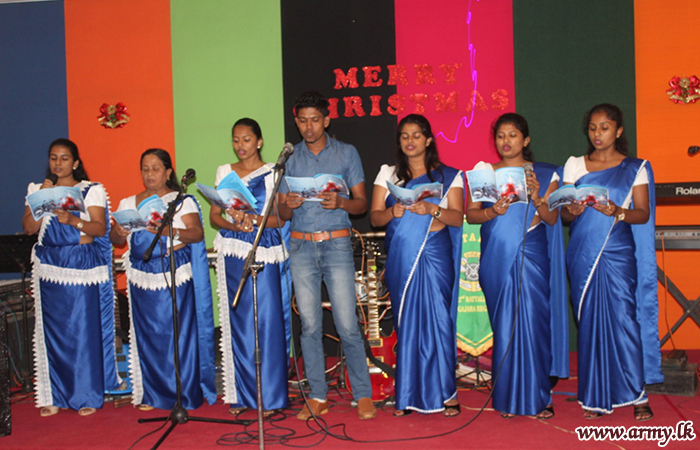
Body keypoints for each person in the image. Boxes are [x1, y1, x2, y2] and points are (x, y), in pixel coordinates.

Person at [278, 91, 376, 420]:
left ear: (327, 120)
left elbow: (362, 204)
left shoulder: (346, 153)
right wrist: (287, 205)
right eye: (302, 120)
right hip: (301, 246)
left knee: (347, 323)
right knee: (309, 326)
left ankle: (363, 394)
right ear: (296, 121)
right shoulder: (289, 158)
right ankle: (317, 395)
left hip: (336, 244)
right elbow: (280, 213)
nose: (308, 127)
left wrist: (342, 203)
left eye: (315, 120)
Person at [562, 104, 662, 421]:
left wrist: (617, 210)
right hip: (582, 252)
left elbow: (642, 213)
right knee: (590, 322)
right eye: (592, 128)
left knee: (624, 320)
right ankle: (595, 394)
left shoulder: (636, 168)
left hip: (618, 251)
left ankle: (637, 393)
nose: (597, 134)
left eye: (604, 127)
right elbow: (564, 213)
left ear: (618, 131)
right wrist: (572, 211)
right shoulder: (576, 165)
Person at [465, 113, 569, 419]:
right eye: (500, 136)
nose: (505, 141)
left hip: (532, 254)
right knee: (505, 326)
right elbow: (471, 214)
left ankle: (540, 396)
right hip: (495, 258)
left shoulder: (546, 174)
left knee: (534, 324)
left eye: (512, 135)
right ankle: (507, 396)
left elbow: (552, 220)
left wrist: (537, 197)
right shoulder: (484, 172)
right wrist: (492, 211)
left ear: (525, 140)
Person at [370, 114, 464, 417]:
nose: (410, 141)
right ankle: (407, 395)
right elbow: (374, 217)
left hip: (435, 253)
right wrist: (392, 212)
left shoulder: (449, 176)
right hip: (401, 255)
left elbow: (458, 217)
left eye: (416, 135)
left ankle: (447, 393)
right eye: (404, 136)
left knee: (439, 320)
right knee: (406, 322)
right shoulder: (389, 174)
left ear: (428, 140)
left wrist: (433, 209)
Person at [110, 149, 216, 411]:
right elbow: (116, 241)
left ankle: (183, 394)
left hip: (174, 275)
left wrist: (170, 230)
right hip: (141, 277)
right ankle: (154, 395)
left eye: (156, 168)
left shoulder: (181, 201)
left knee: (178, 337)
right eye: (145, 168)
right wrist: (119, 231)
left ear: (168, 172)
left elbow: (196, 234)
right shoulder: (129, 203)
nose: (150, 174)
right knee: (149, 338)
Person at [22, 138, 120, 417]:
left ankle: (86, 394)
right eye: (53, 158)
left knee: (81, 331)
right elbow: (29, 228)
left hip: (80, 265)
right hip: (50, 266)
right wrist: (41, 199)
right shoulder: (37, 188)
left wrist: (72, 220)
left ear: (75, 163)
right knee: (54, 333)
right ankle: (55, 395)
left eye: (64, 158)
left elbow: (99, 229)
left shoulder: (90, 190)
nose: (58, 163)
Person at [210, 118, 291, 416]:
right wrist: (232, 223)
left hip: (264, 247)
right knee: (239, 322)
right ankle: (244, 394)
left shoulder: (273, 171)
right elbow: (214, 217)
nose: (240, 145)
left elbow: (283, 215)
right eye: (236, 139)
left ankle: (270, 396)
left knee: (266, 322)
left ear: (259, 141)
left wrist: (255, 221)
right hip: (232, 248)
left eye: (246, 139)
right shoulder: (223, 171)